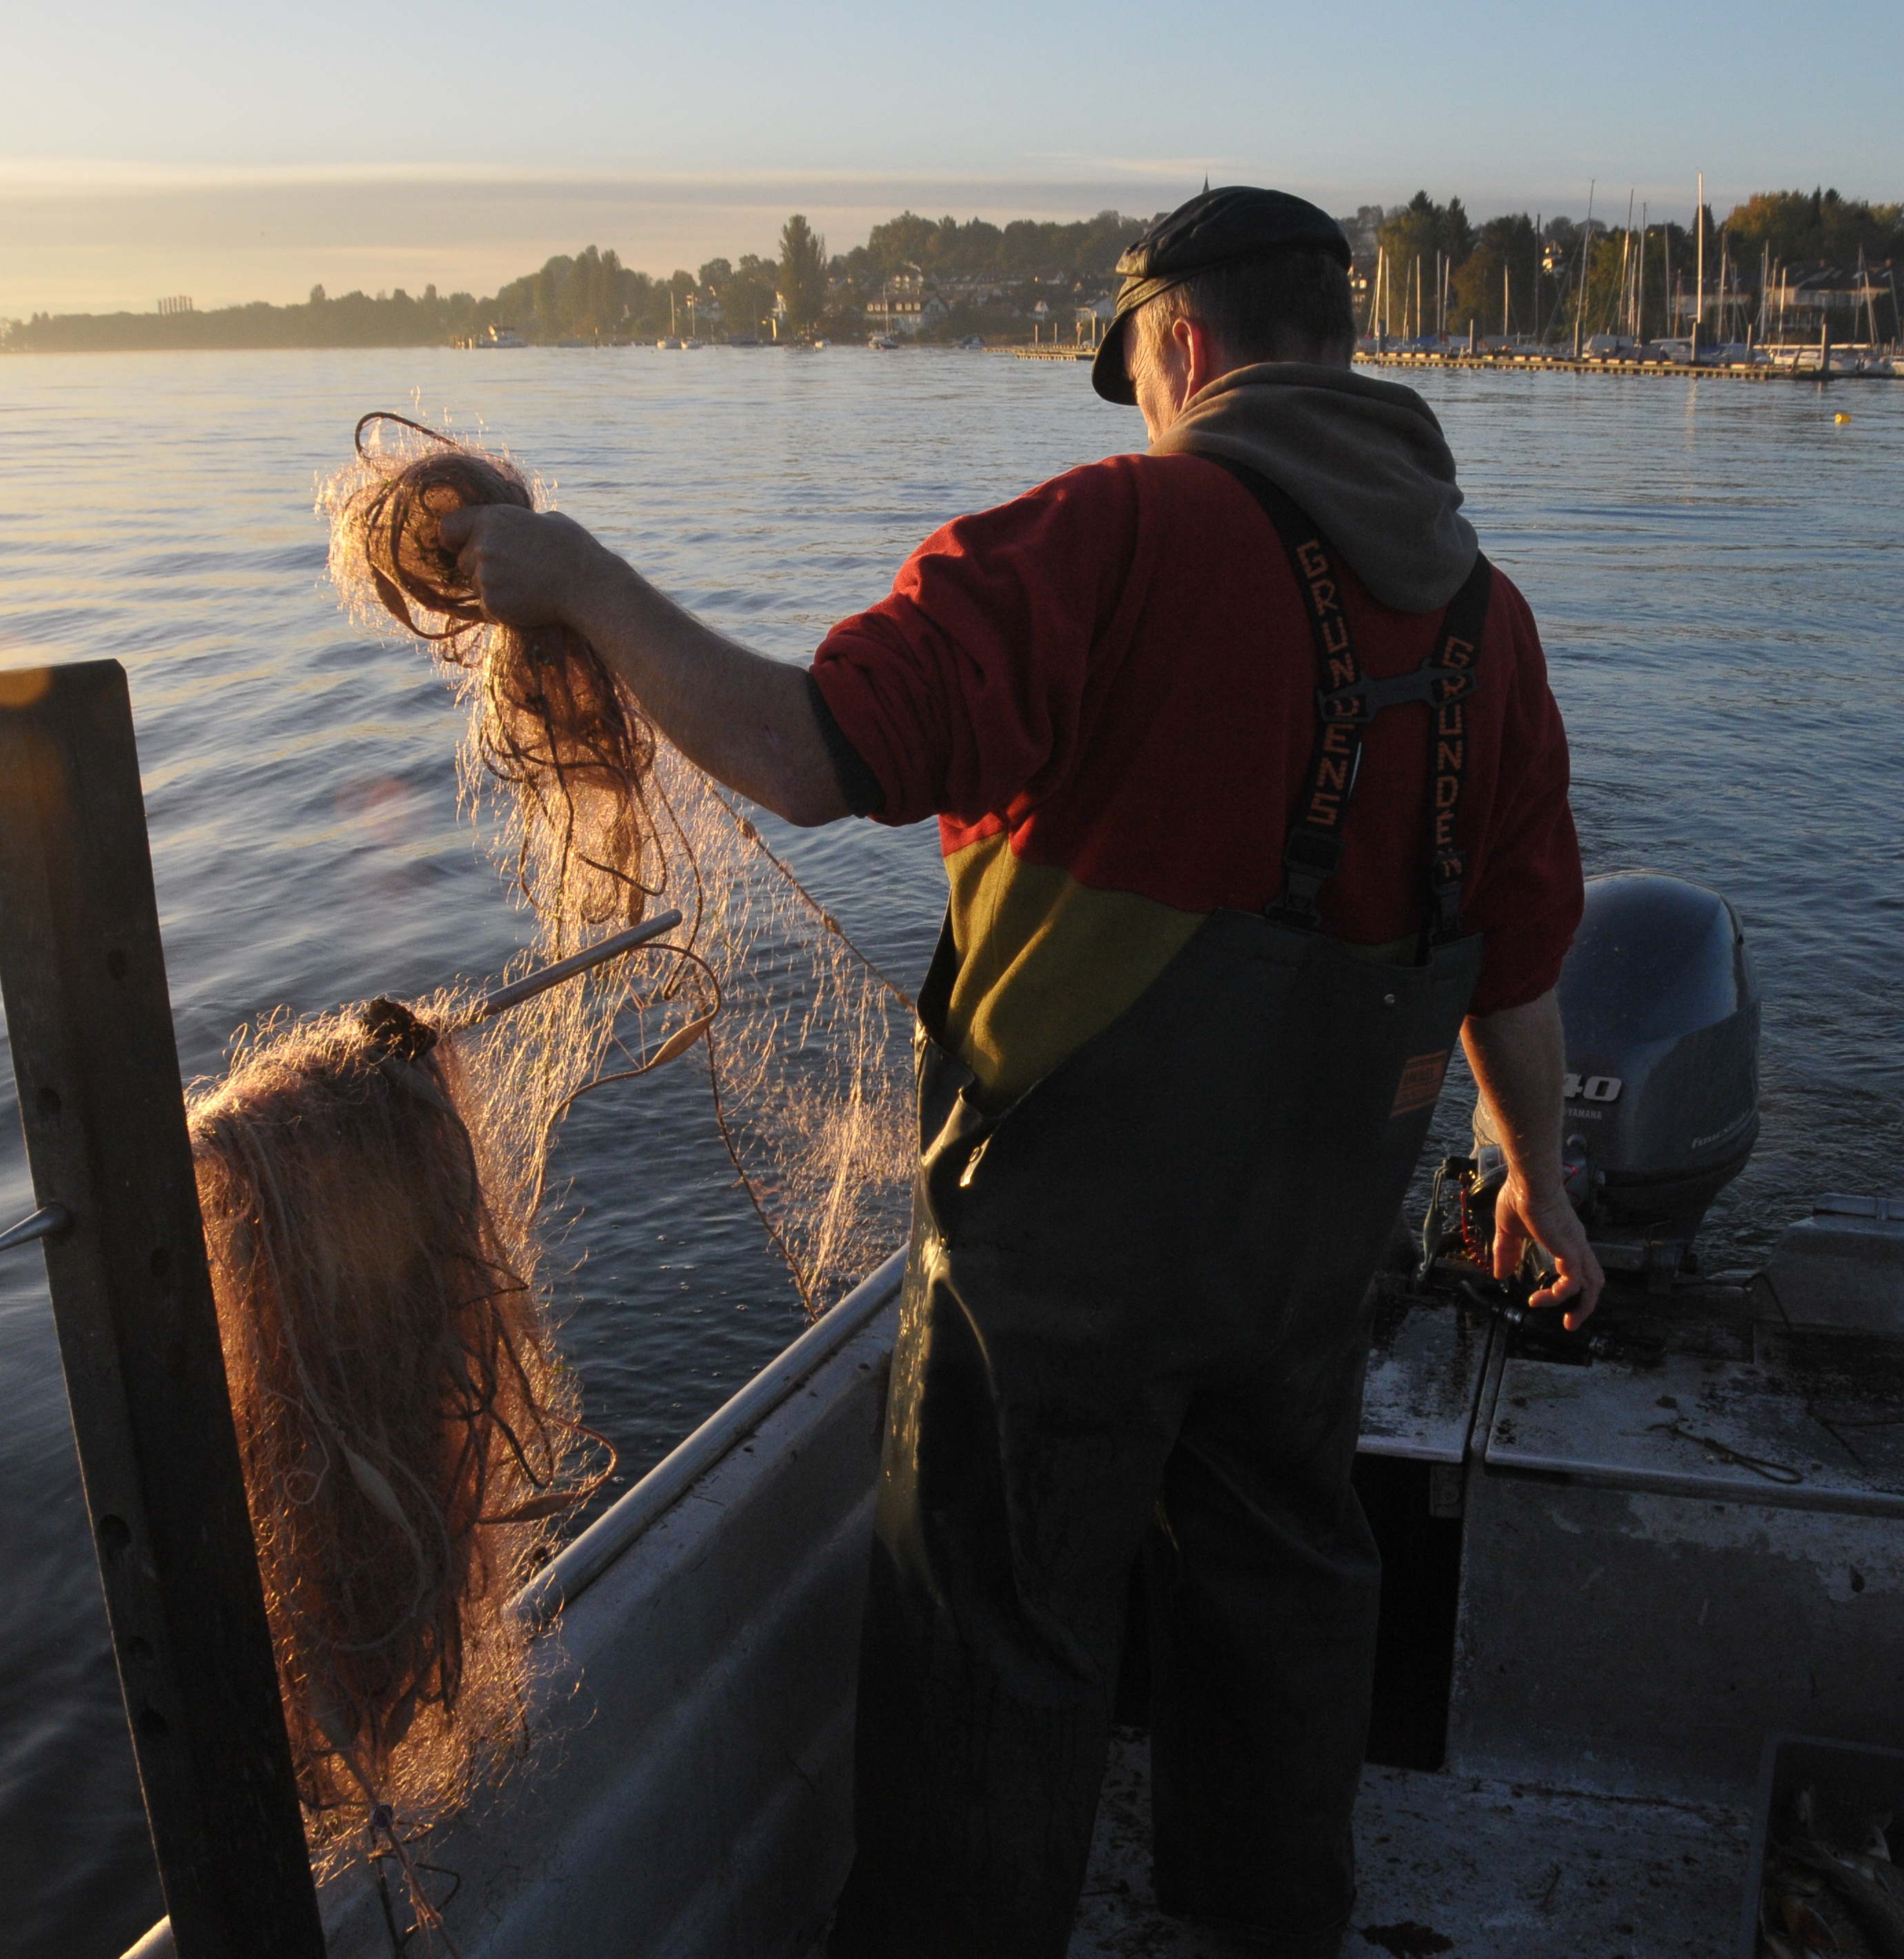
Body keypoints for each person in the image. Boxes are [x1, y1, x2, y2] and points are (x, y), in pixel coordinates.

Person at [442, 185, 1601, 1959]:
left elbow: (807, 752)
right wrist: (1540, 1179)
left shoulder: (1107, 534)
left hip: (1063, 1243)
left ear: (1184, 344)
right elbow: (1514, 965)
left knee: (997, 1619)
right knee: (1285, 1576)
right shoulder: (1487, 622)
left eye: (1137, 368)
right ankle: (1261, 1917)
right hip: (1308, 1242)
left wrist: (586, 583)